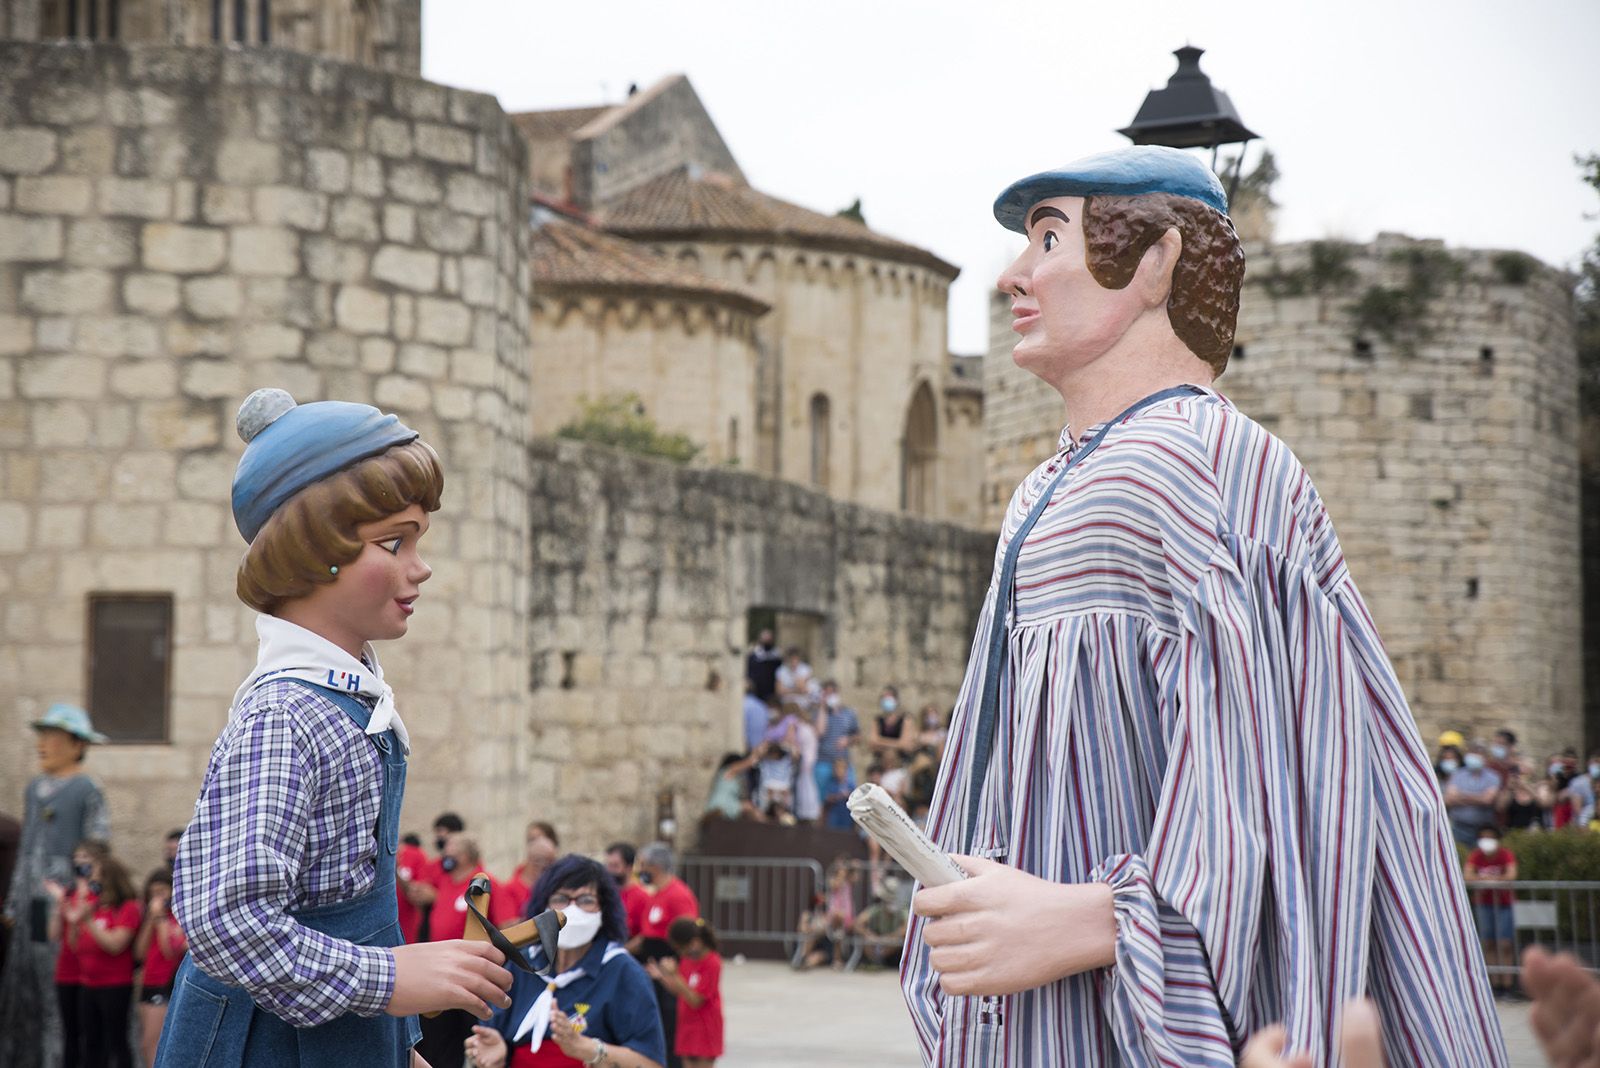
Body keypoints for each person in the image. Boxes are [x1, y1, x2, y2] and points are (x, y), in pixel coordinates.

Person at [901, 146, 1504, 1066]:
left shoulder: (1202, 458)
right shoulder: (1045, 490)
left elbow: (1283, 788)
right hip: (1043, 1013)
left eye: (1050, 237)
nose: (1012, 275)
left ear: (1158, 263)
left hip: (1156, 1011)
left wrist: (1088, 918)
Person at [157, 390, 513, 1068]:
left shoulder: (348, 700)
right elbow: (225, 923)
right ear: (309, 552)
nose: (420, 565)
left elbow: (356, 908)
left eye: (417, 540)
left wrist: (393, 1043)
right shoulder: (287, 719)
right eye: (392, 542)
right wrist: (393, 980)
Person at [464, 855, 665, 1068]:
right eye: (561, 899)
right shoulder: (522, 963)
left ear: (604, 910)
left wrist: (588, 1049)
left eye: (586, 900)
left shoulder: (623, 972)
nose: (572, 910)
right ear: (543, 906)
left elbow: (652, 1063)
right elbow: (493, 1037)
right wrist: (497, 1054)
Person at [0, 703, 110, 1068]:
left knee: (54, 987)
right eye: (42, 736)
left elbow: (97, 851)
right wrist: (14, 903)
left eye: (53, 737)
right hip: (30, 900)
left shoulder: (87, 789)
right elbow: (28, 846)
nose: (43, 745)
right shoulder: (34, 789)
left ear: (77, 744)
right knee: (22, 985)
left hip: (59, 903)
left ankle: (58, 1058)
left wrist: (83, 899)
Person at [49, 839, 139, 1068]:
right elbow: (74, 944)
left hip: (114, 984)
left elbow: (115, 945)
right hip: (88, 983)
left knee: (116, 1041)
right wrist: (72, 916)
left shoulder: (127, 907)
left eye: (97, 876)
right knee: (91, 1042)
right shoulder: (92, 905)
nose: (92, 880)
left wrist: (86, 920)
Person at [630, 844, 698, 1068]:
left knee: (670, 1027)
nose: (640, 870)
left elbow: (688, 936)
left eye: (643, 865)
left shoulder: (678, 895)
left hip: (667, 971)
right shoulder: (657, 894)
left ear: (655, 866)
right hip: (652, 968)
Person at [646, 918, 722, 1068]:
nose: (680, 953)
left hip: (705, 1026)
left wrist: (674, 975)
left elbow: (696, 1000)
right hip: (687, 1024)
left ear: (695, 943)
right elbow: (680, 990)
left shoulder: (712, 962)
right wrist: (662, 976)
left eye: (681, 949)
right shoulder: (687, 961)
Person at [134, 869, 185, 1068]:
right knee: (146, 1044)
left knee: (153, 1041)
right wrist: (150, 920)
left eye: (162, 892)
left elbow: (170, 951)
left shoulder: (176, 919)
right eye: (153, 893)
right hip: (149, 982)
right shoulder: (151, 918)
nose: (157, 897)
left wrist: (162, 920)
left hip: (167, 984)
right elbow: (139, 952)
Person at [1465, 824, 1519, 997]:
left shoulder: (1505, 854)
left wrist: (1489, 880)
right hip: (1484, 904)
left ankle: (1508, 985)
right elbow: (1468, 875)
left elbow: (1511, 875)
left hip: (1504, 904)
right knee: (1488, 943)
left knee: (1505, 944)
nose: (1487, 841)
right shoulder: (1476, 856)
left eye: (1490, 837)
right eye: (1483, 837)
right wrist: (1490, 880)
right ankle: (1494, 985)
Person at [1446, 743, 1505, 847]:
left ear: (1485, 758)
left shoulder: (1493, 777)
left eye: (1478, 754)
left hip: (1483, 831)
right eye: (1472, 753)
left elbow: (1487, 800)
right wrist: (1478, 797)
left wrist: (1462, 796)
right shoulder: (1458, 774)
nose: (1474, 757)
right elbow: (1450, 798)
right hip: (1459, 827)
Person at [815, 681, 860, 808]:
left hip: (843, 763)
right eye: (826, 693)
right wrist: (823, 707)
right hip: (824, 763)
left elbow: (858, 736)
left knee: (849, 799)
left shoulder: (849, 714)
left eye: (832, 692)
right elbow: (820, 732)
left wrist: (848, 740)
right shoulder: (819, 713)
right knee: (824, 800)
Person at [505, 822, 561, 917]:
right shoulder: (512, 887)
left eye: (540, 838)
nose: (537, 844)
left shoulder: (562, 878)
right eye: (531, 840)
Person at [853, 880, 906, 969]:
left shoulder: (902, 910)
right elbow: (858, 923)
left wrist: (891, 937)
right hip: (877, 939)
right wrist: (869, 934)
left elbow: (907, 927)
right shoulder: (877, 909)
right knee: (866, 940)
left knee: (899, 940)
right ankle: (874, 962)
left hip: (893, 941)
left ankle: (880, 960)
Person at [606, 843, 650, 940]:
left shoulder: (642, 897)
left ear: (629, 867)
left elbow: (644, 935)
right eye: (608, 865)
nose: (610, 870)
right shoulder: (606, 893)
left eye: (615, 865)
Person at [1499, 762, 1547, 831]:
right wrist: (1509, 788)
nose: (1521, 776)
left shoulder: (1539, 787)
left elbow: (1543, 804)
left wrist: (1527, 788)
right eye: (1520, 773)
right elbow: (1501, 807)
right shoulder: (1511, 791)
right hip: (1513, 830)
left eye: (1525, 773)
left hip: (1534, 831)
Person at [867, 687, 912, 760]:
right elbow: (872, 742)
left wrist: (881, 741)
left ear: (896, 700)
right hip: (880, 760)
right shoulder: (878, 720)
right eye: (883, 697)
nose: (886, 699)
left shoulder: (905, 719)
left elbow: (905, 745)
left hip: (901, 759)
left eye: (888, 697)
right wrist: (897, 744)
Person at [745, 629, 782, 702]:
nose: (767, 641)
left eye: (769, 639)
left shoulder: (777, 657)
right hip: (757, 690)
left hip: (772, 690)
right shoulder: (754, 656)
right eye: (765, 639)